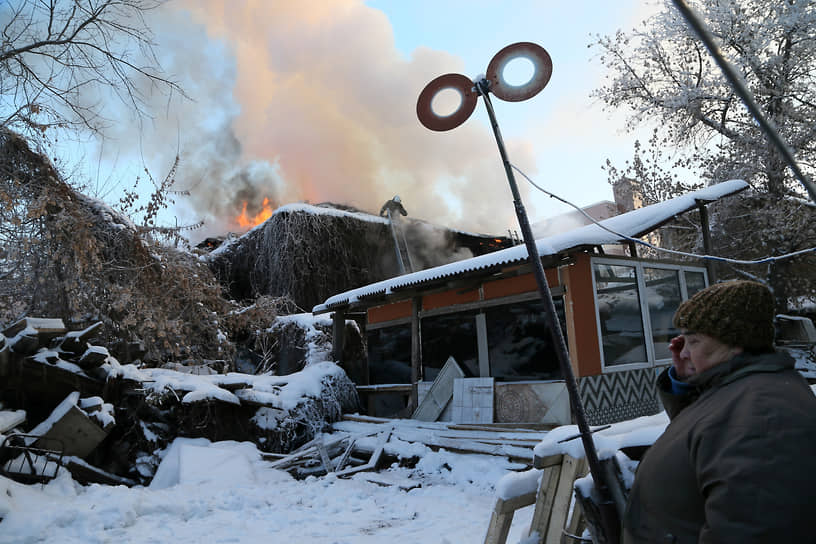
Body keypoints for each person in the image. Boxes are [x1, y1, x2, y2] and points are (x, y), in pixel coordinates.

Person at [623, 280, 816, 543]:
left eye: (694, 341)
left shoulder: (764, 417)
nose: (684, 352)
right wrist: (685, 385)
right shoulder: (741, 392)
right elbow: (709, 438)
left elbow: (755, 531)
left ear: (735, 342)